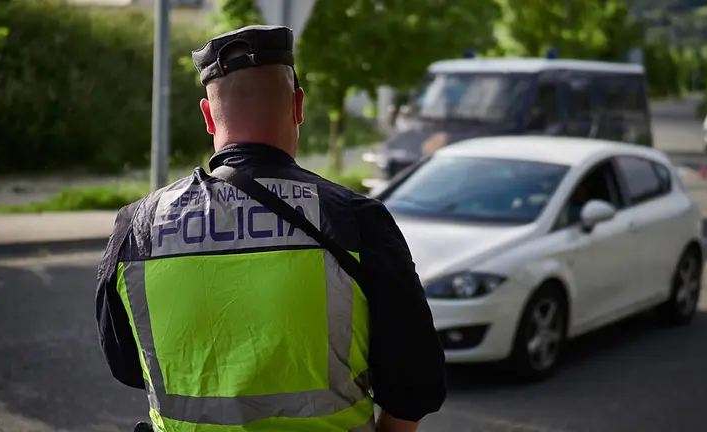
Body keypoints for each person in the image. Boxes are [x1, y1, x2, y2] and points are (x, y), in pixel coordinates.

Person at [95, 25, 447, 432]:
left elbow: (125, 365)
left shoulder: (138, 228)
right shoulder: (356, 220)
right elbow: (416, 384)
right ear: (298, 107)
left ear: (208, 117)